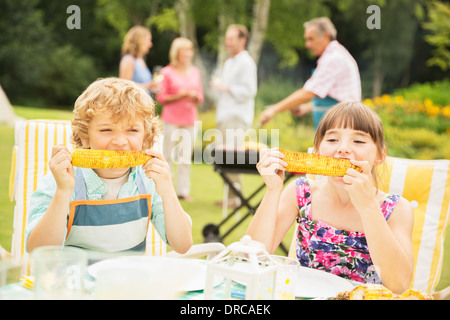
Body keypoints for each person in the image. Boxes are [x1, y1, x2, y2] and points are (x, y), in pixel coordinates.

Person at [247, 102, 414, 293]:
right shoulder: (301, 193)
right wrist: (272, 191)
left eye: (358, 141)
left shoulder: (397, 209)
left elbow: (399, 285)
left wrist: (368, 206)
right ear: (317, 150)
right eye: (332, 139)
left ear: (380, 156)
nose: (343, 149)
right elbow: (252, 256)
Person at [25, 78, 193, 254]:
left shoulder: (149, 181)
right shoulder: (62, 180)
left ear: (145, 137)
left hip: (128, 280)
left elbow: (182, 245)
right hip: (75, 279)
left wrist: (167, 190)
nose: (120, 142)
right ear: (85, 136)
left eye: (132, 130)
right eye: (106, 130)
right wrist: (62, 191)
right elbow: (38, 251)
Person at [259, 17, 361, 130]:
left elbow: (308, 93)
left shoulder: (333, 58)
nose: (307, 45)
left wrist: (273, 109)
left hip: (341, 126)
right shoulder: (334, 55)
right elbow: (335, 98)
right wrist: (306, 108)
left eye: (311, 39)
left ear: (326, 36)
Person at [211, 24, 258, 208]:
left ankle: (236, 198)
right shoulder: (229, 62)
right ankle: (230, 197)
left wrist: (225, 87)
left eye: (231, 38)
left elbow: (249, 91)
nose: (227, 42)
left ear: (242, 40)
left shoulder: (246, 62)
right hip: (225, 115)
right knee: (225, 159)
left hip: (237, 116)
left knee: (232, 158)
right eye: (227, 38)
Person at [156, 37, 204, 202]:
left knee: (185, 158)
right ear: (176, 53)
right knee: (167, 156)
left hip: (190, 119)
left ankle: (183, 192)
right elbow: (161, 97)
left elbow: (200, 95)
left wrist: (195, 96)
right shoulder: (167, 72)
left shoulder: (195, 72)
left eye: (189, 50)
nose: (187, 54)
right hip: (170, 119)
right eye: (184, 50)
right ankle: (165, 190)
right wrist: (181, 95)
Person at [119, 26, 160, 95]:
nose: (150, 44)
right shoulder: (128, 60)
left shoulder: (141, 60)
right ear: (139, 41)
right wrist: (149, 85)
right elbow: (125, 87)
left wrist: (152, 90)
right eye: (148, 41)